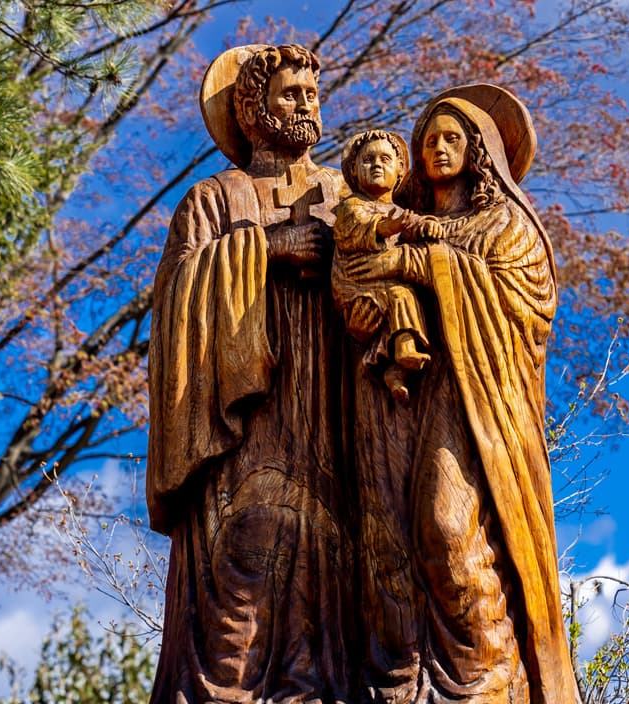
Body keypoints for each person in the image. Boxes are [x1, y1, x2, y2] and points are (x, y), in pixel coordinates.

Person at [346, 85, 582, 704]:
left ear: (479, 151)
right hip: (411, 399)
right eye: (428, 140)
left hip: (483, 406)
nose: (438, 148)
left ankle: (486, 678)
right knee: (400, 538)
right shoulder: (398, 224)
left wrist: (425, 265)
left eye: (452, 138)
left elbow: (526, 307)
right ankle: (425, 676)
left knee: (449, 526)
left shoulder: (507, 224)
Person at [146, 44, 352, 704]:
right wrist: (265, 249)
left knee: (333, 564)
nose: (305, 106)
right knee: (248, 549)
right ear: (252, 109)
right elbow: (178, 300)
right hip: (245, 423)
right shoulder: (213, 199)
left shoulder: (350, 193)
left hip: (335, 410)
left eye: (312, 94)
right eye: (290, 94)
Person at [332, 129, 439, 401]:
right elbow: (361, 228)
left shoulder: (402, 212)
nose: (376, 164)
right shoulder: (352, 206)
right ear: (354, 172)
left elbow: (413, 225)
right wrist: (392, 226)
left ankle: (394, 373)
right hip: (357, 295)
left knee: (402, 296)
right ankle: (404, 348)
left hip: (384, 298)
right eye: (367, 160)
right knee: (401, 295)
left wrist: (427, 225)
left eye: (385, 159)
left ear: (400, 171)